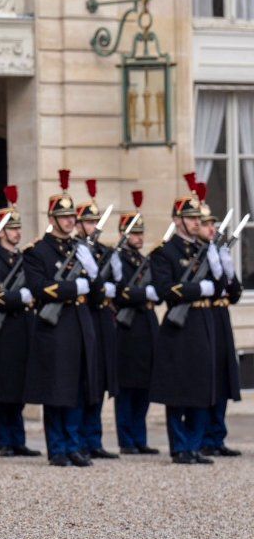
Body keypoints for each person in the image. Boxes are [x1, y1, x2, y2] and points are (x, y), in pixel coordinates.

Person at [24, 169, 99, 468]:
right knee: (56, 388)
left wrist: (93, 275)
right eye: (64, 216)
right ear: (52, 218)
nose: (69, 221)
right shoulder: (38, 251)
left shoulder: (80, 249)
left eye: (71, 216)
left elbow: (95, 291)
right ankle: (57, 448)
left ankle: (74, 445)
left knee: (79, 387)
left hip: (80, 324)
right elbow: (38, 287)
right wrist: (72, 288)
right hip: (55, 328)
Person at [150, 175, 219, 464]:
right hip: (180, 325)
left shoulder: (203, 250)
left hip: (202, 321)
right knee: (178, 387)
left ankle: (195, 444)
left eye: (197, 218)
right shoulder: (164, 252)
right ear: (177, 220)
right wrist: (198, 289)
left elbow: (221, 286)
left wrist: (221, 266)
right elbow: (166, 290)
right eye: (190, 218)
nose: (195, 223)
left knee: (201, 385)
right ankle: (179, 446)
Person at [0, 186, 40, 457]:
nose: (17, 233)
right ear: (1, 231)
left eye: (18, 228)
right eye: (11, 228)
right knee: (3, 388)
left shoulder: (24, 258)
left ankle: (18, 439)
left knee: (20, 387)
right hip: (3, 329)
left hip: (23, 328)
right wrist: (20, 298)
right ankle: (4, 441)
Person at [193, 184, 241, 458]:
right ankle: (200, 438)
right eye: (206, 224)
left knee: (222, 376)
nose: (211, 228)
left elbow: (234, 294)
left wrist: (228, 271)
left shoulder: (216, 251)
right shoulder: (195, 254)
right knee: (206, 378)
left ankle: (216, 436)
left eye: (212, 224)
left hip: (221, 317)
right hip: (204, 315)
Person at [112, 191, 161, 455]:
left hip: (146, 325)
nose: (138, 238)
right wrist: (144, 294)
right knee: (127, 387)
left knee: (144, 387)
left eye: (140, 233)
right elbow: (120, 292)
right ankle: (126, 439)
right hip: (128, 329)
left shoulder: (144, 260)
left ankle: (140, 437)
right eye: (134, 233)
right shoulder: (118, 259)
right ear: (123, 234)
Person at [75, 180, 119, 460]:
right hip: (85, 316)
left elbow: (116, 284)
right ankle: (79, 439)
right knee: (84, 380)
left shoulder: (103, 252)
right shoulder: (74, 251)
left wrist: (112, 286)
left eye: (95, 222)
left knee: (100, 378)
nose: (93, 227)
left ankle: (94, 439)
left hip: (103, 318)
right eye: (88, 223)